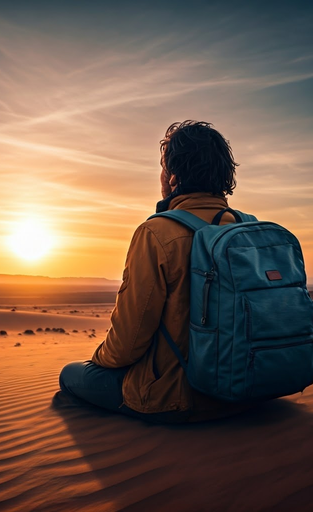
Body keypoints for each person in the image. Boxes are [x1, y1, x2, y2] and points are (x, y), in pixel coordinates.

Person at [58, 120, 250, 423]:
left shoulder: (157, 233)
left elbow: (126, 346)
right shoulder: (248, 230)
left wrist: (98, 360)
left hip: (179, 398)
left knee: (71, 374)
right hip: (251, 388)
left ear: (173, 176)